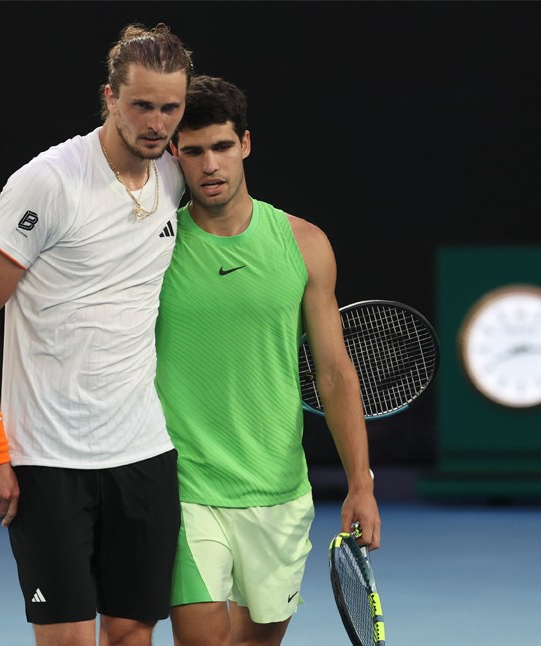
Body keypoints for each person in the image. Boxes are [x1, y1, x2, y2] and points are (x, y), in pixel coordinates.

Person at [0, 23, 193, 646]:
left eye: (171, 108)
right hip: (48, 462)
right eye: (141, 105)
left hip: (143, 454)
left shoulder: (174, 176)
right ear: (109, 97)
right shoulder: (48, 182)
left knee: (131, 635)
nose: (157, 122)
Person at [155, 75, 382, 646]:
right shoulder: (153, 249)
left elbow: (332, 373)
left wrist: (361, 482)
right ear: (174, 155)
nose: (210, 165)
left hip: (278, 490)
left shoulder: (304, 245)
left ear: (246, 144)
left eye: (222, 147)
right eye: (194, 150)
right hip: (185, 485)